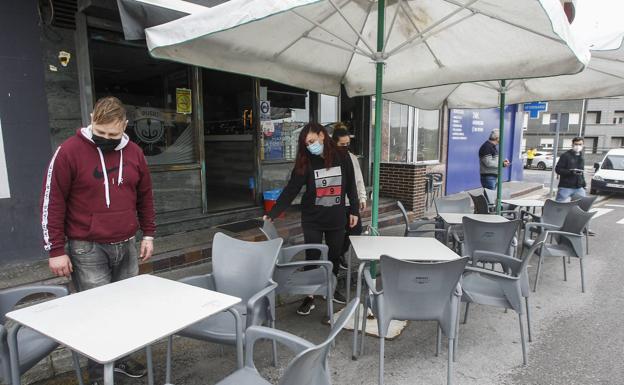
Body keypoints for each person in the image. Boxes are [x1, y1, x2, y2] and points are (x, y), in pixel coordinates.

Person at [40, 96, 156, 382]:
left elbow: (146, 196)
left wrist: (149, 234)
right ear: (91, 119)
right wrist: (55, 249)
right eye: (99, 132)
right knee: (96, 312)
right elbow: (52, 201)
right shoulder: (68, 151)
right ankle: (97, 372)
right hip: (86, 247)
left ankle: (122, 359)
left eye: (112, 134)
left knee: (126, 307)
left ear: (124, 127)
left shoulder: (135, 153)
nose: (105, 138)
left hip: (127, 243)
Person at [264, 122, 359, 316]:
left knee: (333, 256)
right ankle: (309, 296)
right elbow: (292, 189)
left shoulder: (343, 157)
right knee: (312, 257)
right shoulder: (306, 161)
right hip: (312, 219)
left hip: (336, 217)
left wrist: (354, 211)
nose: (310, 146)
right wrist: (273, 213)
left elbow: (351, 186)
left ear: (323, 135)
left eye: (313, 141)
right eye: (307, 143)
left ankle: (330, 289)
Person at [331, 124, 367, 268]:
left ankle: (340, 253)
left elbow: (358, 179)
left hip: (350, 202)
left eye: (347, 144)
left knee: (356, 229)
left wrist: (362, 197)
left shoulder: (352, 158)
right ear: (334, 142)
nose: (345, 147)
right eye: (342, 144)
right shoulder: (327, 158)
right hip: (334, 203)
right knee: (336, 234)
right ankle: (334, 260)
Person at [555, 137, 586, 201]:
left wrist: (583, 184)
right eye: (576, 144)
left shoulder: (581, 157)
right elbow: (558, 169)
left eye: (580, 144)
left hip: (578, 187)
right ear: (572, 145)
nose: (578, 146)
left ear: (583, 145)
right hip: (566, 187)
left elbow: (581, 172)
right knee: (559, 207)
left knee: (581, 205)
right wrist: (571, 172)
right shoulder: (565, 155)